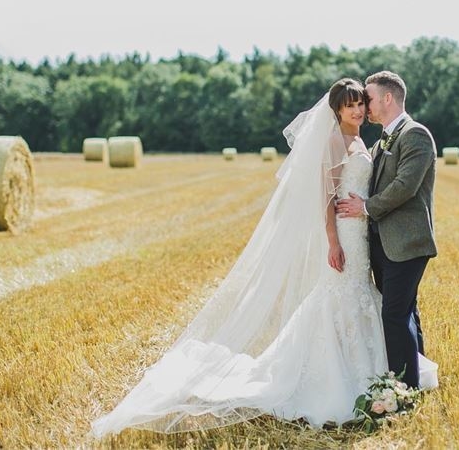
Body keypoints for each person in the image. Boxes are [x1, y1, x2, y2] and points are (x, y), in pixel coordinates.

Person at [91, 78, 435, 438]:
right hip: (347, 235)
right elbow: (325, 197)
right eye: (352, 105)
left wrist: (364, 213)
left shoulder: (370, 140)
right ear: (336, 110)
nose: (360, 109)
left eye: (362, 103)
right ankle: (350, 381)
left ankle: (388, 377)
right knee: (347, 300)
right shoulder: (334, 141)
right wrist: (333, 241)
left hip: (364, 234)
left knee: (376, 305)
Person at [335, 71, 438, 390]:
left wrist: (364, 208)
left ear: (388, 98)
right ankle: (416, 377)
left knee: (393, 315)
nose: (364, 105)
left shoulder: (415, 134)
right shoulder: (382, 140)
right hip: (381, 243)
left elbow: (405, 186)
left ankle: (402, 390)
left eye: (368, 98)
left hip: (406, 243)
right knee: (405, 312)